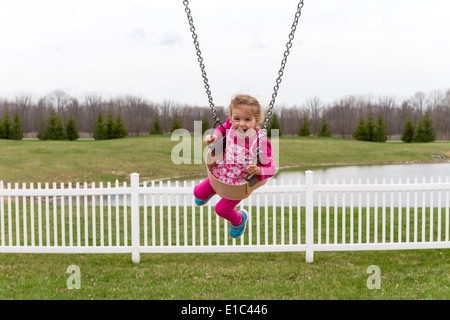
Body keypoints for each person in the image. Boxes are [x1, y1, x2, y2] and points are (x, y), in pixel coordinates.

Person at [193, 94, 277, 239]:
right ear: (231, 117)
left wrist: (257, 170)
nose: (241, 124)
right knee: (198, 194)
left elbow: (272, 168)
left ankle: (239, 220)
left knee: (221, 209)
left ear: (256, 121)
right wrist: (214, 137)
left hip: (238, 184)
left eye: (247, 119)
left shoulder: (260, 142)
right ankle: (213, 191)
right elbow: (220, 129)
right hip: (221, 173)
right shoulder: (230, 127)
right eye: (237, 119)